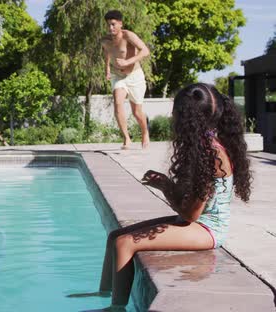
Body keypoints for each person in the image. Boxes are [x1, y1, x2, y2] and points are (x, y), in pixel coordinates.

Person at [70, 83, 252, 310]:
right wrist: (167, 184)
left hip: (209, 230)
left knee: (124, 244)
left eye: (175, 113)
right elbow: (191, 203)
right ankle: (103, 294)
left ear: (186, 118)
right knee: (115, 236)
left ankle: (116, 308)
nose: (172, 118)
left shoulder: (211, 153)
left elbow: (191, 214)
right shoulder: (205, 145)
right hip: (198, 223)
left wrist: (166, 188)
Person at [101, 10, 150, 150]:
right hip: (118, 76)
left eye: (113, 24)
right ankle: (126, 138)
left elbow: (145, 51)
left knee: (137, 112)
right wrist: (107, 69)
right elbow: (107, 52)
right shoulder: (105, 40)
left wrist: (128, 62)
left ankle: (145, 131)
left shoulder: (128, 36)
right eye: (108, 25)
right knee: (118, 102)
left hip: (135, 76)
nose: (110, 28)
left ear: (120, 24)